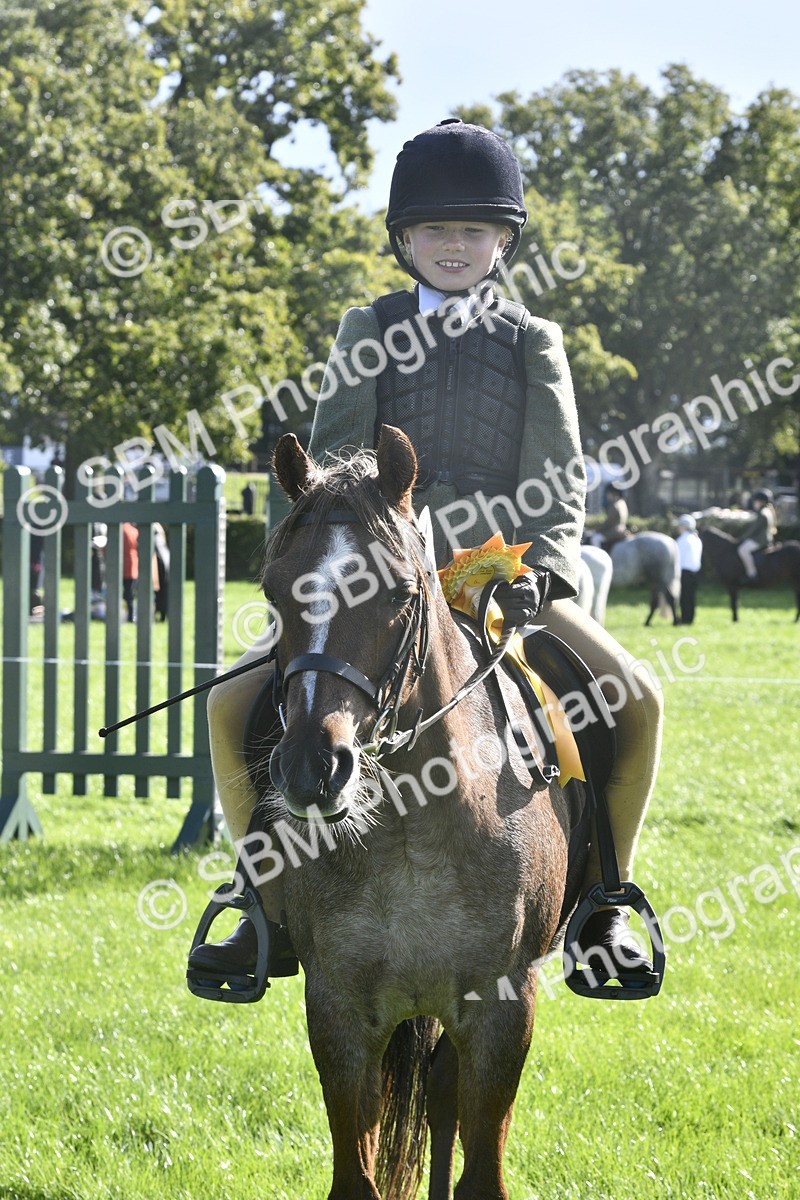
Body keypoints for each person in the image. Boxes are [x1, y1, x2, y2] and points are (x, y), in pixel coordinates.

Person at [189, 118, 663, 989]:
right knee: (229, 706)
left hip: (501, 577)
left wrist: (536, 575)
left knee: (637, 699)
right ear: (405, 239)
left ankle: (602, 900)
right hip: (376, 581)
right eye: (437, 229)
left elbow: (558, 478)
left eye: (473, 230)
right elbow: (325, 471)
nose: (454, 244)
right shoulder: (366, 327)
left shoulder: (533, 340)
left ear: (503, 241)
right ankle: (259, 897)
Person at [737, 488, 777, 582]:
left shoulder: (762, 514)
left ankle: (752, 574)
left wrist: (742, 538)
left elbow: (753, 530)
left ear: (761, 502)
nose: (754, 503)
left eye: (755, 501)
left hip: (761, 540)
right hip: (764, 538)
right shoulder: (767, 511)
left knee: (742, 550)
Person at [675, 514, 702, 624]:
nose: (678, 528)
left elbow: (678, 557)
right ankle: (690, 618)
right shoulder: (697, 539)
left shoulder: (682, 540)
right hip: (695, 572)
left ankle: (685, 619)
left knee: (684, 598)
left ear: (685, 526)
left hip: (684, 572)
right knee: (691, 597)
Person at [591, 482, 629, 552]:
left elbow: (609, 522)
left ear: (613, 493)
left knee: (595, 538)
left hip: (614, 531)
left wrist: (597, 530)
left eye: (608, 493)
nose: (607, 495)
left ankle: (600, 556)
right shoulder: (623, 503)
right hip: (622, 529)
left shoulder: (615, 505)